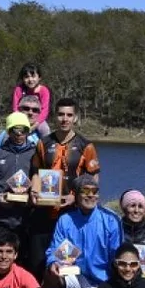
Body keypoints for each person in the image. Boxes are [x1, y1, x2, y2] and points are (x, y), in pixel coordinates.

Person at [30, 97, 100, 277]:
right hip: (44, 210)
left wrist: (76, 197)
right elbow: (36, 172)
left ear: (75, 118)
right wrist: (35, 192)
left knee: (65, 260)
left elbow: (93, 178)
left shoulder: (85, 145)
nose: (64, 119)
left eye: (69, 115)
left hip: (70, 211)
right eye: (61, 114)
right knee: (38, 258)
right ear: (55, 116)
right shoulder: (43, 143)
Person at [42, 174, 124, 288]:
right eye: (86, 191)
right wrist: (53, 262)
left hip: (102, 278)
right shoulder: (65, 219)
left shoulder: (111, 220)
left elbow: (118, 256)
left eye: (95, 191)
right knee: (50, 275)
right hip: (75, 273)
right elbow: (55, 248)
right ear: (76, 195)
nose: (91, 195)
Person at [0, 112, 40, 258]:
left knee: (24, 268)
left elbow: (42, 179)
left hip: (26, 221)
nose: (19, 134)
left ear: (28, 131)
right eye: (15, 130)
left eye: (23, 130)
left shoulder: (36, 153)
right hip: (0, 220)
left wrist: (34, 194)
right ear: (8, 131)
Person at [12, 62, 51, 137]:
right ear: (23, 78)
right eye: (26, 77)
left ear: (39, 77)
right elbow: (15, 108)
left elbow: (44, 110)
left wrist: (35, 125)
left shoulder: (44, 91)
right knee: (9, 131)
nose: (30, 80)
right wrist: (20, 121)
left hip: (38, 120)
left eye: (33, 76)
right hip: (21, 118)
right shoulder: (18, 89)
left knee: (45, 129)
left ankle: (47, 147)